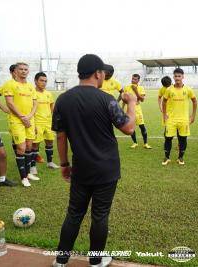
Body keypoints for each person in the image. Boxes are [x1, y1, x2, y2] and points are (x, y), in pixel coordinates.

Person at [51, 54, 137, 267]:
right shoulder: (106, 99)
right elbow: (129, 128)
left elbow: (60, 136)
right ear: (98, 73)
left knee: (74, 213)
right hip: (106, 169)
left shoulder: (63, 99)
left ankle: (61, 260)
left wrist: (64, 164)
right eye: (103, 73)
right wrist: (132, 103)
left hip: (81, 169)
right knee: (100, 215)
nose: (104, 77)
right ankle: (96, 260)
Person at [4, 62, 40, 187]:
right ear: (16, 71)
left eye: (26, 69)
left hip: (29, 120)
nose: (24, 71)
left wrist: (29, 116)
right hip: (17, 120)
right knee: (21, 148)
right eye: (21, 69)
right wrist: (22, 117)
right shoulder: (10, 84)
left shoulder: (30, 86)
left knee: (29, 146)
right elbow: (10, 102)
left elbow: (35, 103)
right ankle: (23, 177)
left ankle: (29, 172)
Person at [162, 68, 197, 165]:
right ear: (173, 77)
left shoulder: (188, 89)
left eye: (179, 76)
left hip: (184, 119)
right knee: (168, 138)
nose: (177, 78)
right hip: (171, 119)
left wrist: (193, 116)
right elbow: (164, 101)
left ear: (183, 77)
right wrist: (164, 114)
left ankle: (180, 158)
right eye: (176, 76)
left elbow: (194, 101)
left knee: (183, 139)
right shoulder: (169, 89)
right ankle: (167, 157)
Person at [31, 72, 59, 175]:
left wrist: (53, 119)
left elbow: (52, 107)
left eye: (45, 81)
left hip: (48, 122)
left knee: (50, 142)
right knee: (35, 145)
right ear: (35, 81)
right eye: (41, 80)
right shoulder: (32, 93)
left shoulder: (48, 94)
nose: (44, 83)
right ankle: (33, 166)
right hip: (37, 122)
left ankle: (50, 162)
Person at [123, 74, 151, 149]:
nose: (133, 80)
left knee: (142, 126)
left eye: (135, 79)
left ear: (138, 80)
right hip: (129, 109)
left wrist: (135, 90)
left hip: (137, 109)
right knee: (131, 126)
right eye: (132, 79)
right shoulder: (126, 87)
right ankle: (135, 143)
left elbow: (142, 100)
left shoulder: (141, 88)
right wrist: (122, 109)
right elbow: (124, 99)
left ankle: (145, 143)